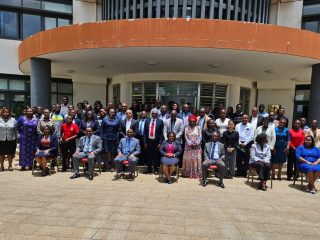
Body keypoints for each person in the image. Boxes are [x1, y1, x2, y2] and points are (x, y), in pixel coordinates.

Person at [143, 110, 164, 174]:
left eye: (155, 114)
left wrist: (160, 143)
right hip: (148, 141)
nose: (154, 115)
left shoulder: (160, 121)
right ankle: (149, 168)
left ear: (157, 114)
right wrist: (145, 143)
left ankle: (155, 169)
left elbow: (161, 134)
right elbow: (144, 133)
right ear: (151, 114)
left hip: (156, 141)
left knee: (155, 156)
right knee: (148, 155)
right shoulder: (147, 121)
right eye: (153, 113)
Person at [0, 107, 18, 171]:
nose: (5, 113)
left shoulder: (13, 120)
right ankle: (1, 166)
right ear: (1, 113)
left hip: (11, 139)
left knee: (10, 154)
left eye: (7, 112)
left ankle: (10, 166)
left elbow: (16, 130)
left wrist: (17, 138)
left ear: (9, 113)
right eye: (4, 112)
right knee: (1, 154)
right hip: (1, 139)